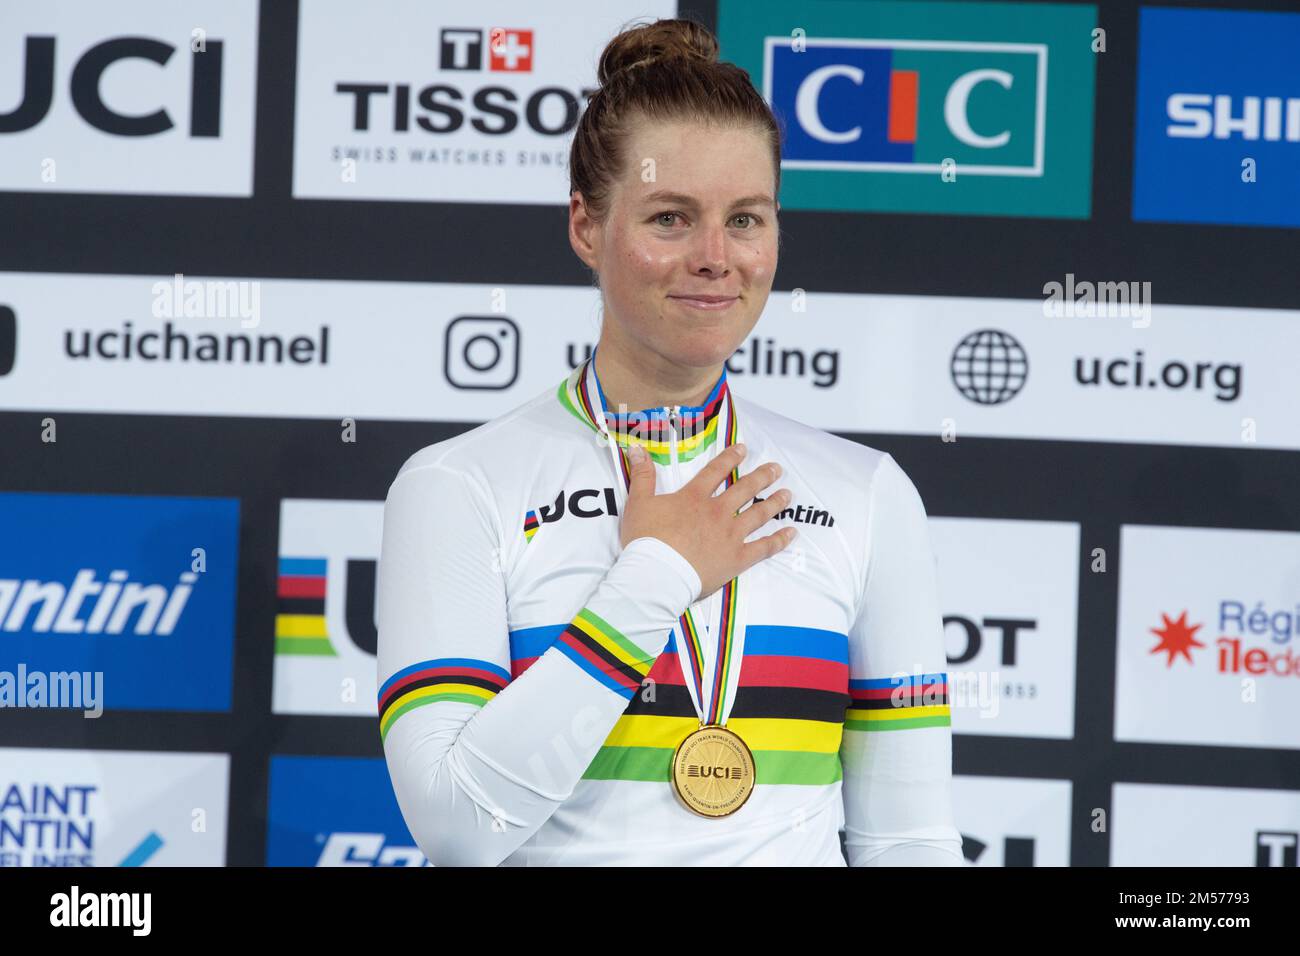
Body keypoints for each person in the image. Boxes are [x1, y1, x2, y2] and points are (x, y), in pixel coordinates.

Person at [375, 17, 963, 866]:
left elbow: (908, 842)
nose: (717, 257)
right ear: (586, 225)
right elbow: (460, 827)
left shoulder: (864, 492)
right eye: (671, 218)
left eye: (747, 219)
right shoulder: (459, 486)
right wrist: (657, 575)